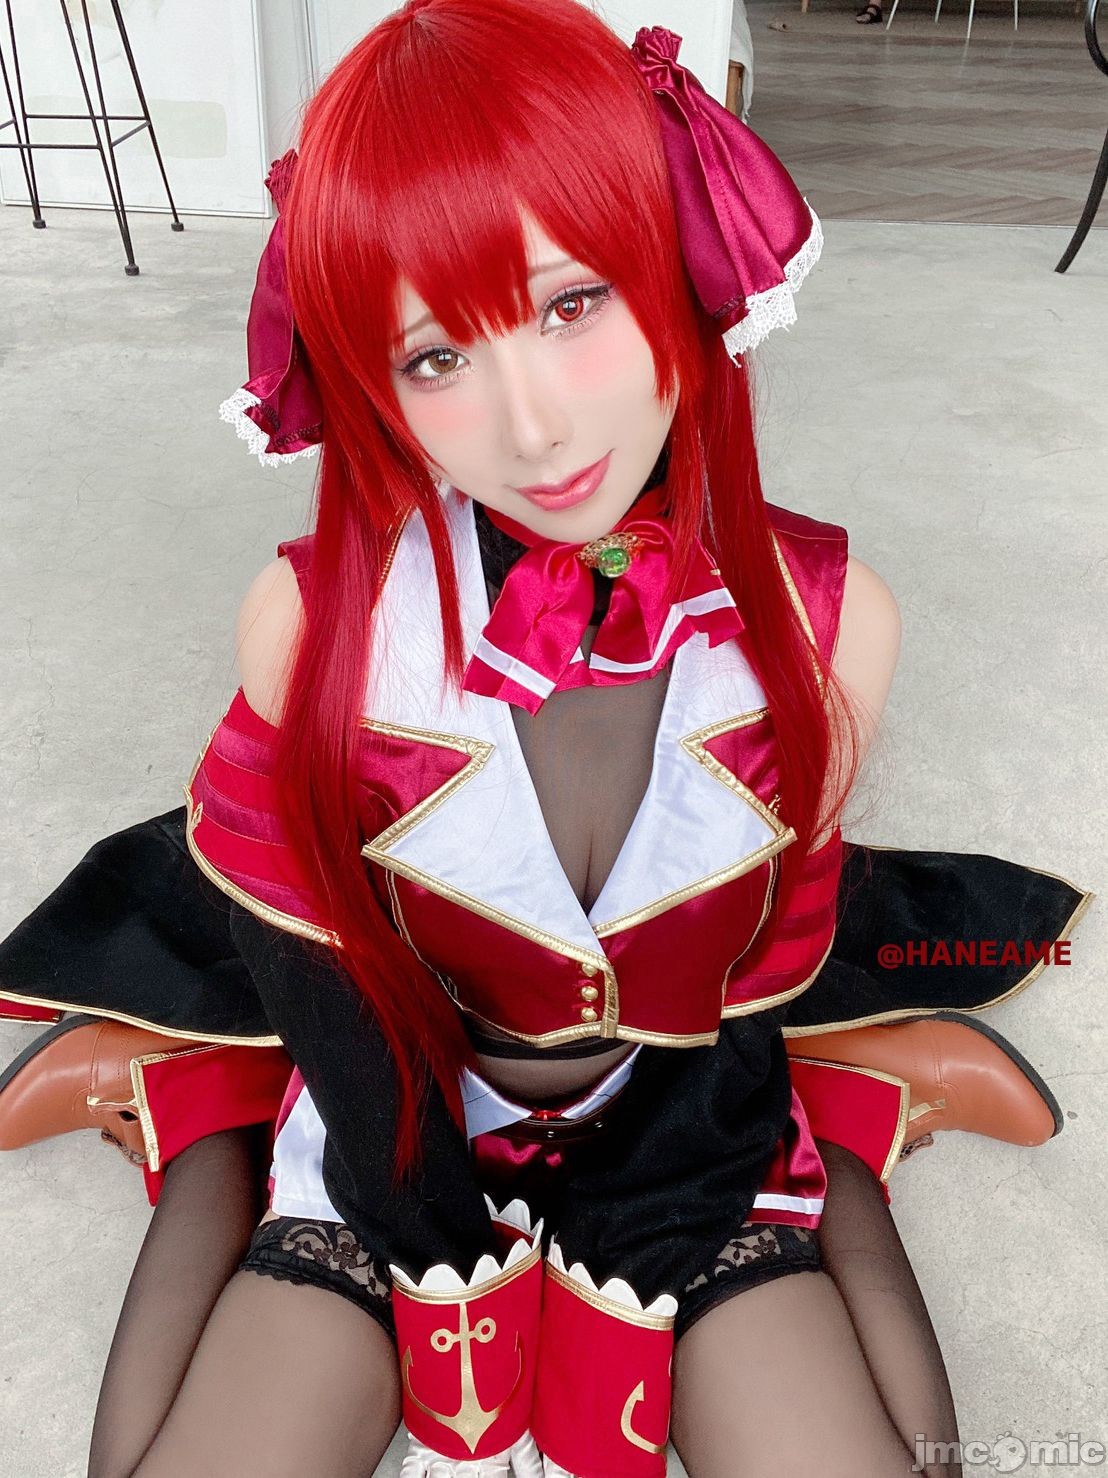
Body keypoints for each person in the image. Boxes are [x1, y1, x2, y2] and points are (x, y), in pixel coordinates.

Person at [0, 3, 1093, 1475]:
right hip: (406, 1116)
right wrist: (411, 1206)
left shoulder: (831, 622)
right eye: (436, 355)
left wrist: (681, 1175)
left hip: (677, 1110)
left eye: (572, 303)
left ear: (680, 257)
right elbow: (305, 949)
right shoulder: (307, 622)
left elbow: (775, 933)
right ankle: (198, 1117)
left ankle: (845, 1128)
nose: (533, 431)